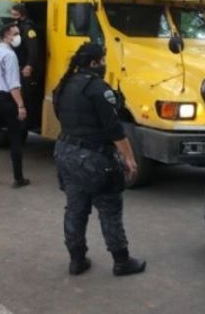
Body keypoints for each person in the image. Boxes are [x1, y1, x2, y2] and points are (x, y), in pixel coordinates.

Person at [52, 42, 146, 277]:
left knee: (75, 208)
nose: (104, 65)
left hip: (65, 153)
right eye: (102, 61)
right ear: (94, 63)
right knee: (109, 208)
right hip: (95, 158)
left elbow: (61, 116)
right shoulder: (97, 88)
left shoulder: (64, 85)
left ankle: (76, 260)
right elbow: (114, 130)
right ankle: (122, 261)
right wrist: (129, 158)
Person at [0, 23, 30, 188]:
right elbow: (13, 85)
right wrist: (21, 106)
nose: (18, 37)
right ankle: (18, 178)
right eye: (15, 34)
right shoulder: (10, 55)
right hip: (7, 100)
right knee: (15, 138)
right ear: (6, 35)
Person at [10, 3, 42, 127]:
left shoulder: (28, 29)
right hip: (18, 66)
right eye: (12, 14)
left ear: (22, 15)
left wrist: (29, 65)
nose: (13, 17)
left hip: (25, 68)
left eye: (15, 15)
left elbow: (34, 49)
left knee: (26, 95)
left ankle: (26, 122)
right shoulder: (18, 27)